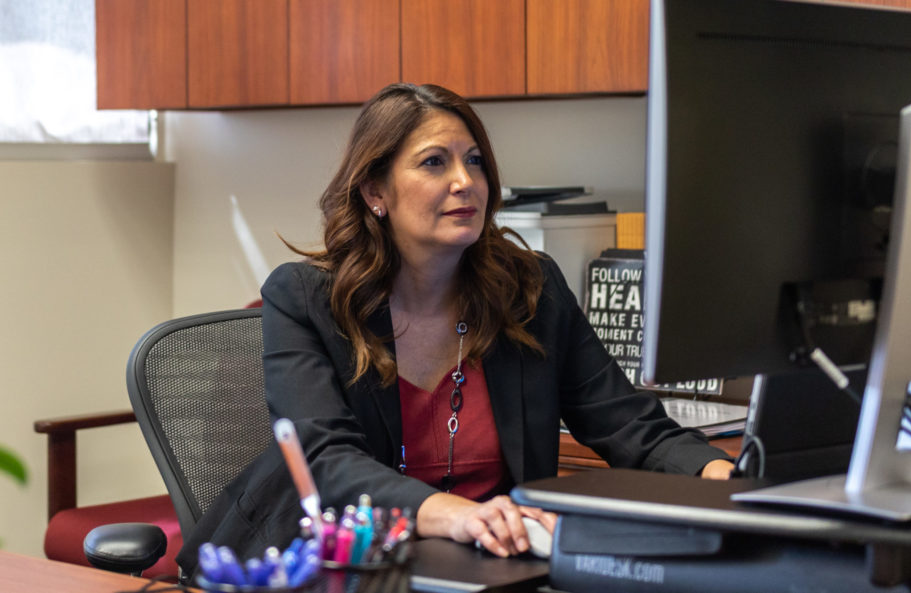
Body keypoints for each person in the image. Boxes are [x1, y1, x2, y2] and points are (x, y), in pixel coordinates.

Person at [177, 83, 733, 575]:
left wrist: (718, 474)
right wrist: (462, 517)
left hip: (487, 569)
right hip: (331, 566)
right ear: (375, 192)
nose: (465, 181)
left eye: (475, 161)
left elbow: (624, 419)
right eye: (434, 163)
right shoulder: (304, 298)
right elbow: (323, 461)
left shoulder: (529, 289)